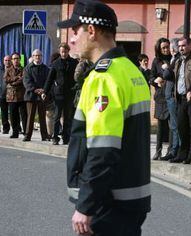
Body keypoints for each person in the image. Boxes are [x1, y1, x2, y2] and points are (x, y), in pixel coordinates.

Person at [58, 0, 151, 234]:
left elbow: (102, 150)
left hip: (108, 203)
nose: (71, 39)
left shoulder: (103, 78)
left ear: (91, 30)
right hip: (131, 197)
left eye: (75, 30)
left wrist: (86, 206)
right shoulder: (131, 71)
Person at [164, 37, 191, 164]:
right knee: (181, 127)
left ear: (190, 46)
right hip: (179, 98)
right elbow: (169, 75)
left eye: (184, 45)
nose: (181, 48)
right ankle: (182, 153)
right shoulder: (178, 60)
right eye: (179, 46)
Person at [42, 42, 78, 145]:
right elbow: (50, 79)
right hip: (58, 94)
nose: (63, 54)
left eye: (65, 52)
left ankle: (66, 137)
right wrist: (45, 91)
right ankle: (55, 137)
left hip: (69, 93)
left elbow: (77, 77)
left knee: (67, 116)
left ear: (68, 51)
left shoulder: (74, 62)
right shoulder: (55, 63)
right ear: (59, 52)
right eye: (62, 52)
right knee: (57, 116)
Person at [150, 38, 171, 160]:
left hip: (171, 94)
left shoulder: (172, 59)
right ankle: (158, 151)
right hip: (160, 96)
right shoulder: (156, 61)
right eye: (163, 48)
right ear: (159, 49)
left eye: (167, 47)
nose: (166, 50)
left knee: (171, 124)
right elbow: (151, 77)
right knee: (160, 125)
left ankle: (169, 150)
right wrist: (155, 81)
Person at [22, 49, 49, 141]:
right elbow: (26, 82)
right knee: (30, 116)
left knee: (42, 116)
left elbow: (48, 81)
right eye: (35, 55)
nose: (37, 57)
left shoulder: (46, 68)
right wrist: (36, 90)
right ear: (33, 56)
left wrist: (44, 90)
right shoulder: (27, 68)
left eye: (39, 55)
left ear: (42, 56)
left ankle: (44, 136)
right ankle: (27, 135)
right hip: (31, 95)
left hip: (42, 96)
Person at [4, 52, 27, 138]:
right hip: (11, 96)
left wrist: (13, 82)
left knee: (24, 115)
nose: (16, 60)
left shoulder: (24, 69)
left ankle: (26, 132)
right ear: (12, 60)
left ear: (20, 60)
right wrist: (16, 78)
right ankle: (15, 132)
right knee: (13, 115)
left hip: (21, 95)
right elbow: (6, 79)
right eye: (14, 59)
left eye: (17, 58)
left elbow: (23, 80)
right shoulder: (8, 70)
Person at [0, 55, 11, 134]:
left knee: (14, 112)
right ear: (3, 62)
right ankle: (5, 128)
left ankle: (17, 128)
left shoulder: (13, 70)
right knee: (4, 112)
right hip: (2, 94)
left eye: (8, 60)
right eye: (5, 60)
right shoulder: (1, 70)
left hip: (11, 95)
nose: (7, 62)